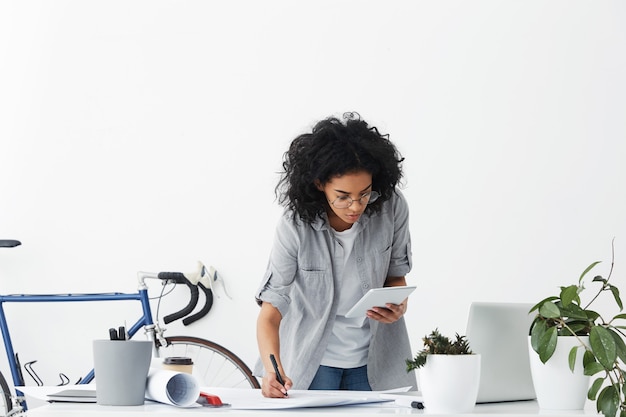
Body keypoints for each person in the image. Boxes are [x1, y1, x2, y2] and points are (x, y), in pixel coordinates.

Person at [254, 112, 417, 398]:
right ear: (319, 183)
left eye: (364, 194)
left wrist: (397, 305)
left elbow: (396, 277)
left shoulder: (392, 208)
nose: (356, 206)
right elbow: (271, 311)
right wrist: (272, 371)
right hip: (313, 364)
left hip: (375, 363)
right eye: (343, 196)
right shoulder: (296, 225)